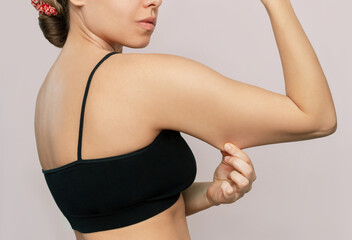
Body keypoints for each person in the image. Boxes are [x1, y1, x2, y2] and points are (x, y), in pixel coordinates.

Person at [32, 0, 336, 239]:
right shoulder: (137, 80)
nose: (155, 1)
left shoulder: (48, 97)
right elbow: (314, 116)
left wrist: (210, 194)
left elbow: (115, 210)